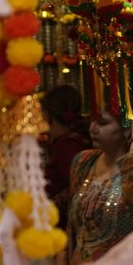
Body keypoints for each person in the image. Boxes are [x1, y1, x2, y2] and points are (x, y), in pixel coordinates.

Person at [66, 104, 133, 265]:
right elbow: (73, 223)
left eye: (103, 123)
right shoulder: (83, 161)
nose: (93, 129)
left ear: (126, 130)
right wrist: (64, 258)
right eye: (92, 120)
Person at [41, 84, 91, 228]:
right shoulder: (70, 141)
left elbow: (77, 187)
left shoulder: (67, 145)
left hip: (66, 228)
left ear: (49, 115)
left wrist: (49, 208)